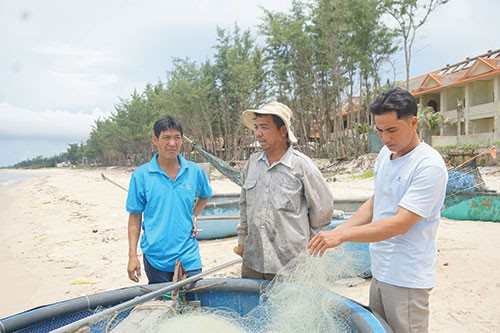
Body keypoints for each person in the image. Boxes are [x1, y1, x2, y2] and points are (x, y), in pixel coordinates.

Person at [309, 88, 448, 333]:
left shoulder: (428, 165)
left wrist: (342, 236)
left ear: (413, 122)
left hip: (407, 276)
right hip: (381, 269)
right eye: (379, 130)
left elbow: (400, 223)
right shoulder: (386, 155)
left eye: (392, 130)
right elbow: (376, 203)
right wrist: (337, 231)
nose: (384, 138)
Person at [235, 101, 334, 280]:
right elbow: (244, 205)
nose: (258, 133)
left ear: (283, 131)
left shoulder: (302, 166)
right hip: (253, 261)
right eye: (256, 127)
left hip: (291, 265)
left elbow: (322, 212)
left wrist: (308, 249)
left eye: (264, 127)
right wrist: (242, 241)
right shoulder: (252, 164)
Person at [126, 116, 212, 284]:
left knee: (193, 305)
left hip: (189, 256)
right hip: (155, 258)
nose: (172, 143)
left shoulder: (194, 171)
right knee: (163, 306)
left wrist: (192, 216)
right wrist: (132, 255)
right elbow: (135, 217)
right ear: (155, 140)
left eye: (177, 137)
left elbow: (204, 196)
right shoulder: (141, 176)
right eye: (166, 137)